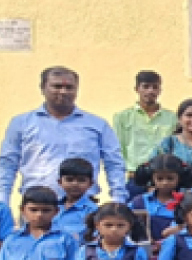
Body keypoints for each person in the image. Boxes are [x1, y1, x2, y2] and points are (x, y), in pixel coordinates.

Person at [0, 66, 128, 204]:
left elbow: (114, 164)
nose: (63, 91)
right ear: (42, 88)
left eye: (69, 87)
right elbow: (7, 164)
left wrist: (118, 199)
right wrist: (3, 201)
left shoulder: (98, 125)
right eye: (57, 86)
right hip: (37, 206)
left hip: (83, 207)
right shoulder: (21, 123)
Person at [113, 71, 178, 197]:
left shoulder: (172, 118)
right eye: (146, 86)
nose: (150, 91)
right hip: (135, 178)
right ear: (137, 89)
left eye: (155, 87)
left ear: (160, 90)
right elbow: (117, 149)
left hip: (164, 180)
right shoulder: (122, 117)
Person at [52, 158, 98, 244]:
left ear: (91, 184)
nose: (75, 184)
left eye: (81, 180)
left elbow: (94, 239)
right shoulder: (52, 206)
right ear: (60, 182)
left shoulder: (92, 210)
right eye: (69, 180)